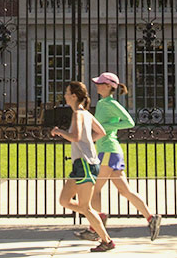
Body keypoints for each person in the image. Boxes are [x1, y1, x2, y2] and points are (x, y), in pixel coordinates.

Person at [88, 72, 161, 240]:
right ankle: (151, 218)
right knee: (125, 190)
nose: (97, 85)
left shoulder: (109, 103)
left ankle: (95, 228)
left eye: (100, 83)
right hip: (110, 151)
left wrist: (106, 127)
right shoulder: (102, 103)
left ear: (108, 87)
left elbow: (129, 122)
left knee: (95, 189)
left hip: (108, 150)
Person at [50, 81, 113, 251]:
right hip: (81, 165)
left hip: (86, 164)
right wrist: (87, 142)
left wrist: (59, 131)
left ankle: (106, 240)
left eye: (67, 92)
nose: (64, 95)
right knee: (64, 200)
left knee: (85, 207)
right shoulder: (86, 114)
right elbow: (101, 132)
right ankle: (96, 217)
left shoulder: (78, 114)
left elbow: (76, 137)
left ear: (74, 96)